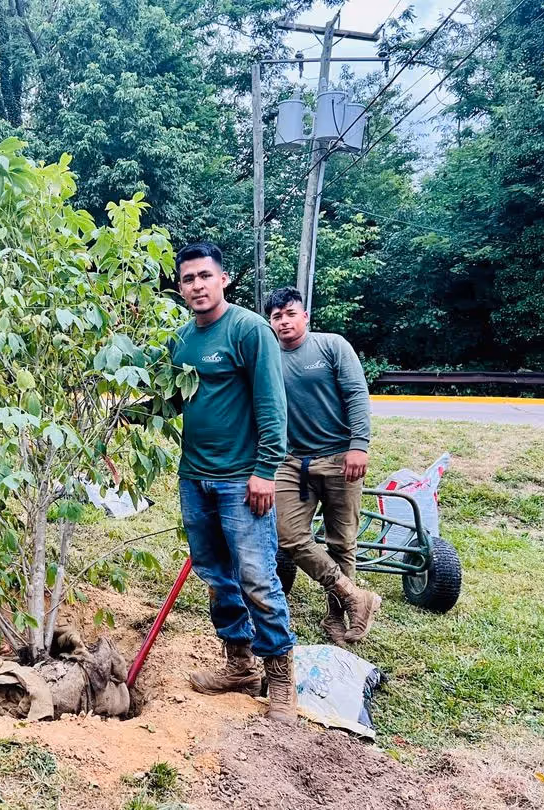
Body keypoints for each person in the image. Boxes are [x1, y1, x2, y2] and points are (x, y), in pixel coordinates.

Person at [171, 242, 298, 724]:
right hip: (195, 478)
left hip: (242, 481)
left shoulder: (249, 329)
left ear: (223, 280)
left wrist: (265, 471)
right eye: (188, 278)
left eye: (205, 275)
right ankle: (239, 664)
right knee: (215, 575)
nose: (197, 285)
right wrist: (121, 417)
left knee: (257, 577)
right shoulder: (181, 341)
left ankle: (280, 675)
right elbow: (173, 402)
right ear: (180, 287)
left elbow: (271, 405)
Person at [265, 287, 381, 644]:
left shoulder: (331, 346)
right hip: (292, 461)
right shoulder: (268, 357)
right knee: (288, 535)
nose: (284, 321)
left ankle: (337, 616)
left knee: (341, 541)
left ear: (304, 316)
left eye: (289, 314)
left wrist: (358, 446)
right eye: (276, 316)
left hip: (339, 457)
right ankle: (354, 596)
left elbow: (356, 394)